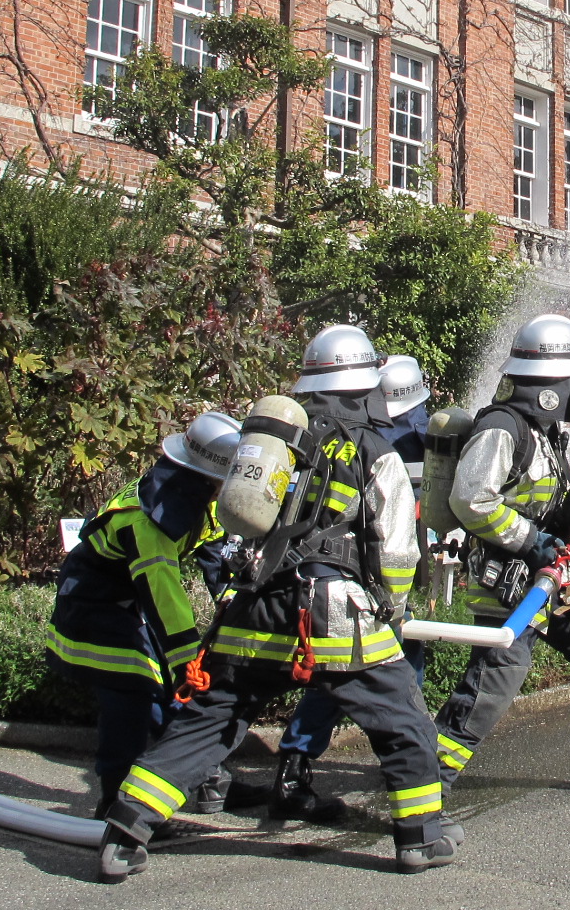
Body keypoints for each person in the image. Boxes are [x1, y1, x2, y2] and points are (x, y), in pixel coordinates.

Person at [96, 325, 459, 880]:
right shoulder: (374, 452)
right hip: (335, 614)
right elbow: (395, 552)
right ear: (366, 388)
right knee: (402, 718)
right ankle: (419, 838)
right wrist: (391, 608)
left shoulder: (273, 439)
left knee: (212, 716)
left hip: (255, 604)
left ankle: (126, 829)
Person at [431, 315, 570, 791]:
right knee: (494, 681)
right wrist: (531, 541)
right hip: (511, 583)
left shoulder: (542, 431)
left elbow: (543, 505)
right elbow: (471, 500)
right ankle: (429, 775)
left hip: (550, 580)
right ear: (551, 382)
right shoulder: (502, 427)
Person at [45, 411, 241, 819]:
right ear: (212, 475)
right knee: (131, 698)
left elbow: (215, 553)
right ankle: (115, 803)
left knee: (164, 695)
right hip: (95, 608)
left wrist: (235, 600)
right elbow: (163, 597)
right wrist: (189, 660)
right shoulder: (148, 519)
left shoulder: (190, 495)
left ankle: (204, 781)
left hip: (127, 606)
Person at [266, 352, 433, 821]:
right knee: (365, 677)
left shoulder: (325, 438)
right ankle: (406, 783)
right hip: (353, 592)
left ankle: (298, 767)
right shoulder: (377, 444)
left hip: (307, 585)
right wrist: (392, 606)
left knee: (373, 674)